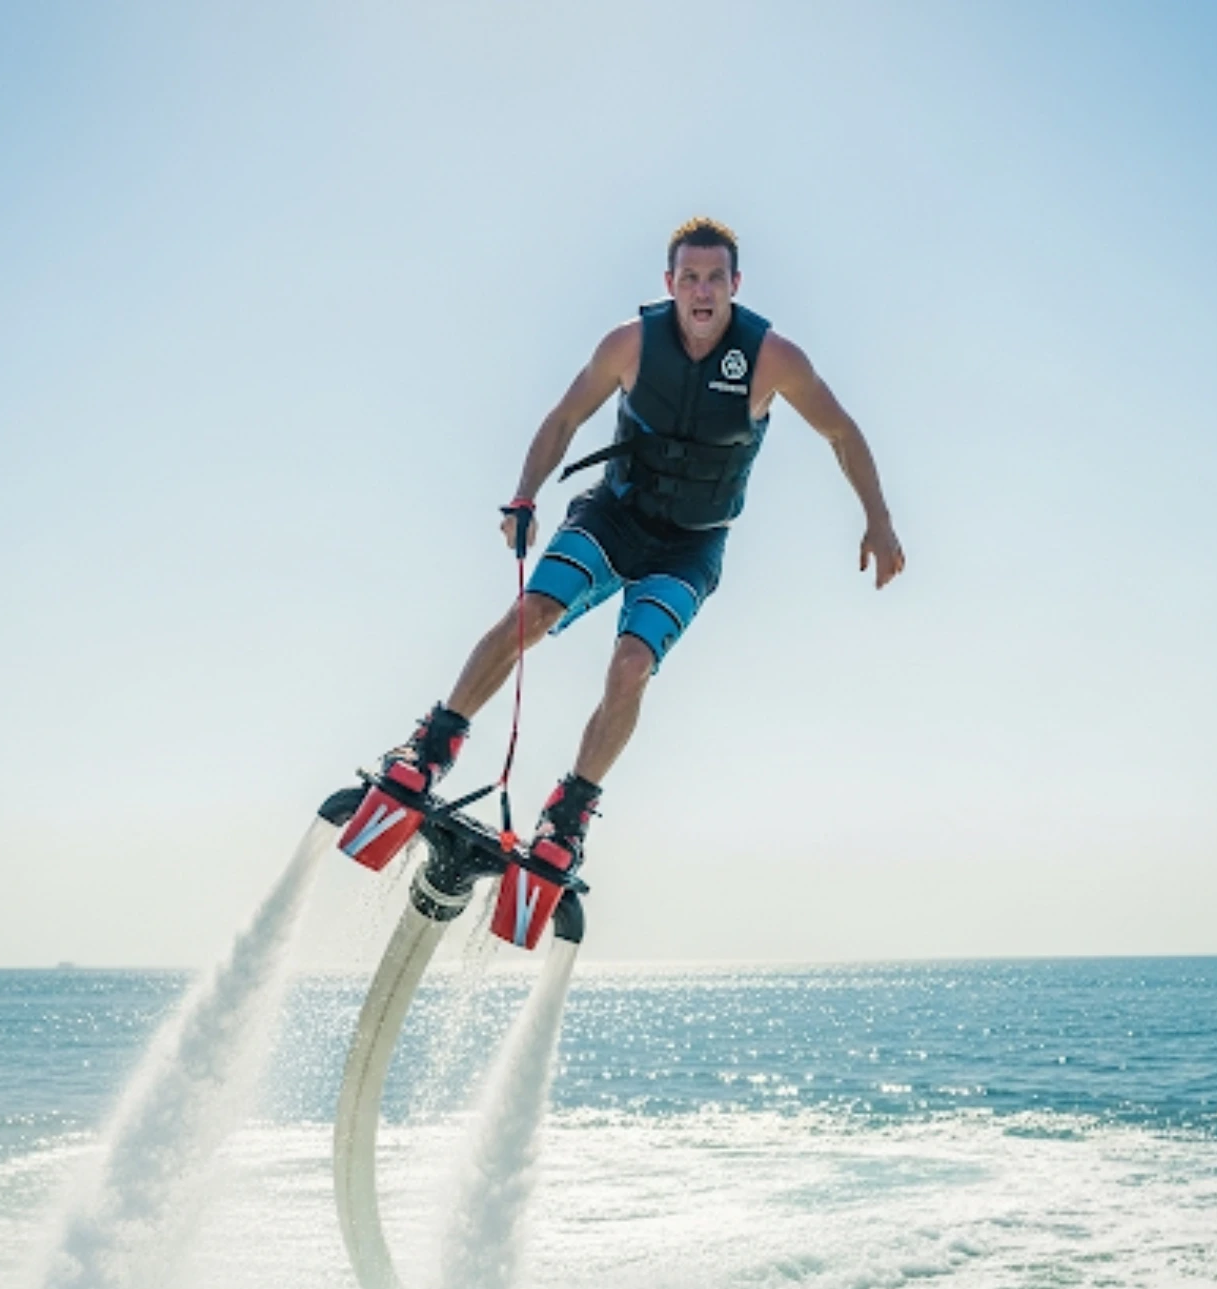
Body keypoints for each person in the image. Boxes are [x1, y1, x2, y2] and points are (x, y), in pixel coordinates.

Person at [377, 216, 905, 873]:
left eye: (716, 278)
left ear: (736, 285)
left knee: (632, 666)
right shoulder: (629, 345)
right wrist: (524, 496)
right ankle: (432, 745)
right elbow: (565, 416)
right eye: (690, 277)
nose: (703, 291)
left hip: (691, 547)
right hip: (613, 516)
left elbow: (842, 433)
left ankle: (568, 817)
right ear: (670, 283)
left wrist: (877, 520)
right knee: (530, 616)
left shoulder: (774, 359)